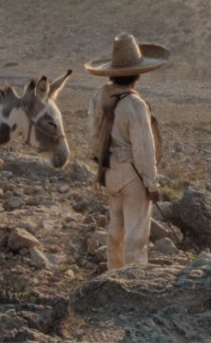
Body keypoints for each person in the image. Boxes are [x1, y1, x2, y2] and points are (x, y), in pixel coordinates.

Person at [86, 32, 169, 270]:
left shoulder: (99, 95)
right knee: (136, 236)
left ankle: (114, 274)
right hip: (133, 174)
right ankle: (135, 281)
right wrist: (152, 184)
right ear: (138, 73)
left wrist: (103, 160)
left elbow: (93, 135)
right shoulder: (135, 105)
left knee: (115, 229)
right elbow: (144, 149)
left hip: (110, 170)